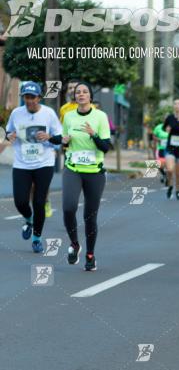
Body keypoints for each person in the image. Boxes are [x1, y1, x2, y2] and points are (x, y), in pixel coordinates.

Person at [5, 81, 61, 253]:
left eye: (33, 97)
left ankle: (37, 237)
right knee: (21, 201)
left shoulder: (49, 114)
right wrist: (10, 136)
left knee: (38, 202)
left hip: (44, 163)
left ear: (39, 98)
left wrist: (49, 137)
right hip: (22, 163)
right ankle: (28, 220)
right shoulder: (16, 113)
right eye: (26, 97)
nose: (29, 101)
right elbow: (8, 132)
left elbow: (59, 139)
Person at [61, 81, 112, 271]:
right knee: (68, 208)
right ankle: (75, 244)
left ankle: (90, 255)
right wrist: (63, 141)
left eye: (84, 92)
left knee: (90, 217)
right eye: (77, 92)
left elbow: (106, 147)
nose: (81, 94)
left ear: (90, 96)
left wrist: (93, 134)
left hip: (94, 172)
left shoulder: (100, 117)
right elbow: (64, 142)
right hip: (72, 168)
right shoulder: (68, 117)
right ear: (74, 97)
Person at [164, 98, 179, 200]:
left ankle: (178, 191)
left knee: (178, 173)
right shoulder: (169, 117)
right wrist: (167, 129)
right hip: (170, 147)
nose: (177, 105)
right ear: (173, 106)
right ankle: (170, 186)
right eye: (175, 104)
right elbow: (164, 128)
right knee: (169, 170)